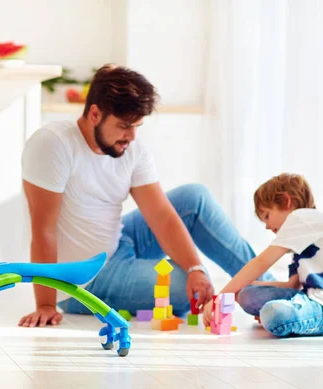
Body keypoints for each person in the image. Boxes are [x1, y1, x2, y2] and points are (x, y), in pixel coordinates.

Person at [18, 64, 274, 327]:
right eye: (124, 126)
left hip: (118, 239)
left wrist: (195, 268)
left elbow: (161, 215)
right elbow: (43, 230)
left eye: (137, 126)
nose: (131, 136)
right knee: (187, 287)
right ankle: (265, 295)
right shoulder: (53, 144)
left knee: (195, 199)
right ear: (95, 113)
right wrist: (46, 304)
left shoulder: (131, 148)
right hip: (87, 278)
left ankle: (274, 293)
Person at [203, 173, 323, 337]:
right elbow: (292, 285)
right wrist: (251, 285)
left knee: (273, 314)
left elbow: (262, 262)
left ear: (286, 201)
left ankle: (287, 317)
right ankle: (289, 316)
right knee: (246, 294)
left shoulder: (301, 217)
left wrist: (220, 295)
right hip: (314, 298)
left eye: (267, 216)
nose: (267, 226)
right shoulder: (300, 241)